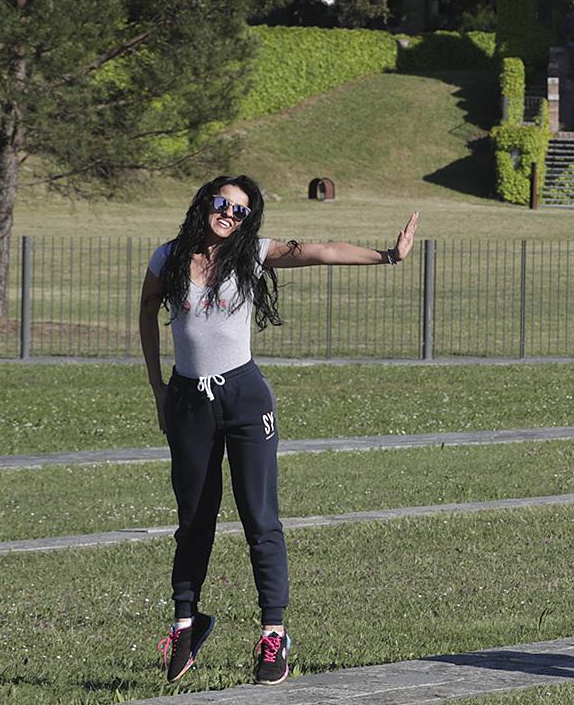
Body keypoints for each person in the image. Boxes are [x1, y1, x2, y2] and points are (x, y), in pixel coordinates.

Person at [142, 175, 418, 685]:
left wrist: (388, 255)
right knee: (194, 518)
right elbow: (146, 310)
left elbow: (321, 250)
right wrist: (159, 386)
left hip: (245, 399)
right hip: (188, 400)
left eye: (241, 210)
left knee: (259, 518)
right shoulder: (167, 257)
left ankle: (274, 633)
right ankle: (186, 622)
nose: (229, 214)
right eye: (222, 204)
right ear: (206, 203)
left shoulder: (251, 254)